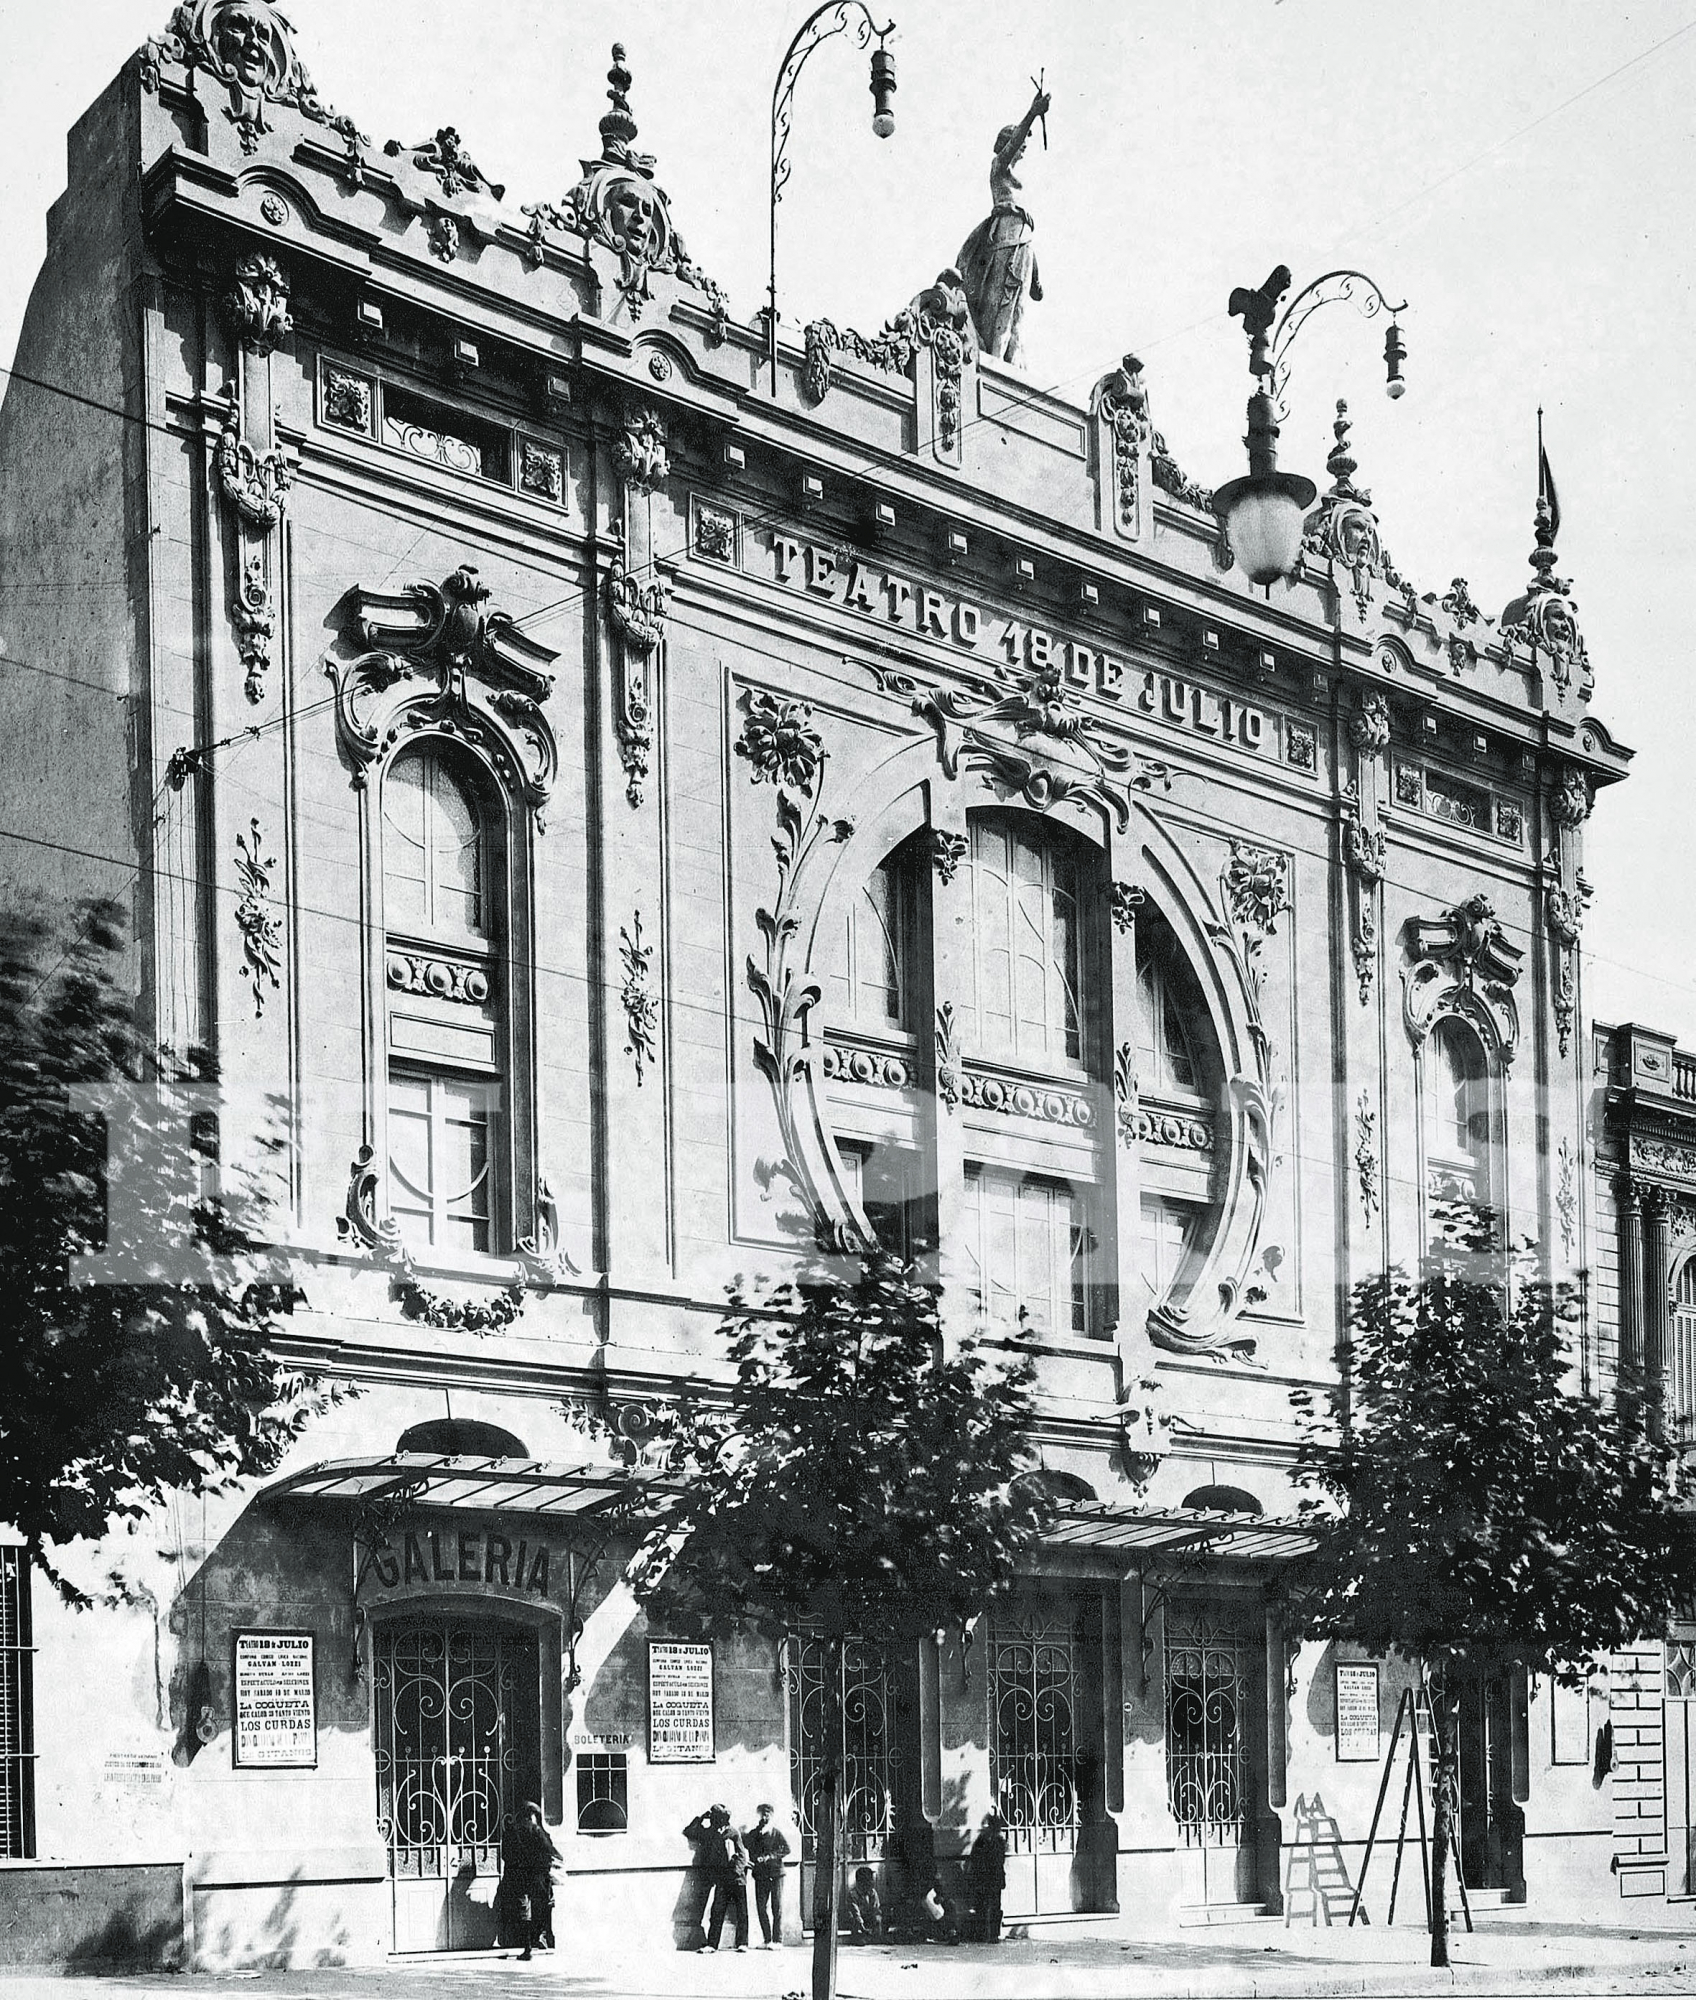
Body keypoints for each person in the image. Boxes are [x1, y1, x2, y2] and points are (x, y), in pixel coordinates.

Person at [955, 85, 1052, 366]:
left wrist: (1036, 274)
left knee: (1017, 313)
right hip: (1006, 240)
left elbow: (1027, 237)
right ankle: (994, 366)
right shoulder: (999, 165)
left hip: (1020, 243)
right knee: (1002, 310)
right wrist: (1033, 114)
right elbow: (1013, 144)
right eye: (1018, 146)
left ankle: (1009, 367)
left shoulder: (1017, 185)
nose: (1021, 151)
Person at [700, 1804, 749, 1953]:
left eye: (716, 1818)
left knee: (741, 1912)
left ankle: (742, 1943)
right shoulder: (713, 1833)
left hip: (736, 1879)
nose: (715, 1821)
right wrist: (702, 1818)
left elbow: (742, 1856)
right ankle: (712, 1944)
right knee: (717, 1911)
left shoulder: (733, 1833)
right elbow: (692, 1830)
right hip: (722, 1879)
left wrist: (735, 1872)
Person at [744, 1801, 791, 1949]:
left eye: (767, 1814)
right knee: (761, 1907)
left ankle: (777, 1940)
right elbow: (748, 1845)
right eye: (762, 1814)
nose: (765, 1817)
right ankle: (767, 1939)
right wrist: (754, 1859)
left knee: (776, 1907)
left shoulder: (776, 1833)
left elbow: (787, 1849)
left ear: (771, 1816)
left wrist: (770, 1856)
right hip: (761, 1875)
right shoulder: (755, 1833)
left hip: (776, 1874)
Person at [967, 1812, 1007, 1943]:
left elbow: (996, 1860)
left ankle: (992, 1934)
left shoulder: (994, 1841)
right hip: (986, 1878)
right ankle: (986, 1934)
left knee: (991, 1907)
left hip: (990, 1878)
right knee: (985, 1906)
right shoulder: (990, 1841)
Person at [845, 1865, 883, 1941]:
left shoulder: (872, 1892)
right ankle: (857, 1936)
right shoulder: (853, 1894)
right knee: (851, 1917)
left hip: (868, 1918)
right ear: (862, 1882)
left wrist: (877, 1922)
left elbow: (876, 1909)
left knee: (882, 1915)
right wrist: (863, 1928)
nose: (872, 1882)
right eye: (870, 1880)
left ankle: (874, 1936)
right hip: (858, 1920)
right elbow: (856, 1913)